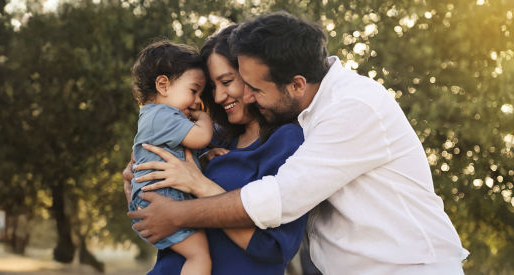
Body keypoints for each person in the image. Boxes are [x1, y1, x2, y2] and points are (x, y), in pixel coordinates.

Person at [127, 12, 468, 274]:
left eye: (252, 86)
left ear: (296, 85)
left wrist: (182, 207)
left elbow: (279, 199)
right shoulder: (267, 124)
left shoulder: (351, 108)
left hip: (405, 267)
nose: (244, 94)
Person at [136, 24, 308, 275]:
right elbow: (158, 219)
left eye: (226, 82)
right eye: (211, 89)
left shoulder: (286, 141)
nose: (217, 97)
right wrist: (138, 180)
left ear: (252, 76)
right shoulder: (213, 140)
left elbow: (272, 249)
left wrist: (199, 185)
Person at [126, 40, 213, 275]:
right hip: (162, 198)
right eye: (194, 90)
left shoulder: (156, 117)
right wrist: (205, 119)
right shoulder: (164, 115)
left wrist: (206, 157)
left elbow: (184, 158)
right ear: (163, 85)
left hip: (156, 196)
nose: (197, 101)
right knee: (199, 255)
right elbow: (201, 137)